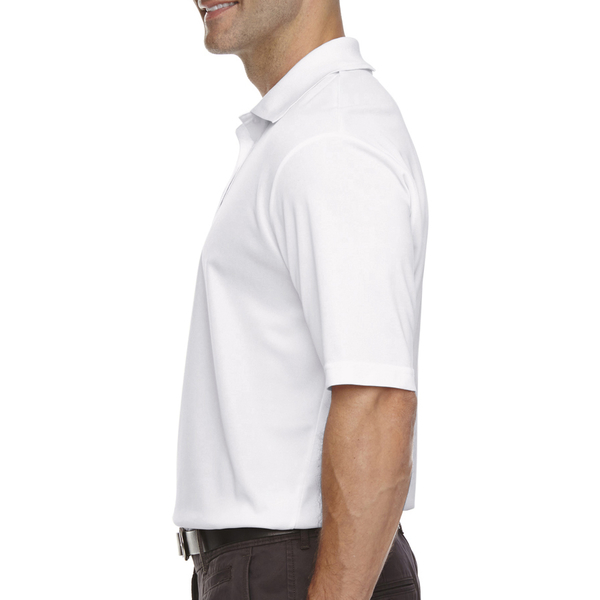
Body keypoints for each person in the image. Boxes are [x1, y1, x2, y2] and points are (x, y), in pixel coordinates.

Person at [173, 0, 428, 598]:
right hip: (276, 563)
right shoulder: (307, 129)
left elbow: (378, 402)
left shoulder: (331, 140)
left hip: (294, 566)